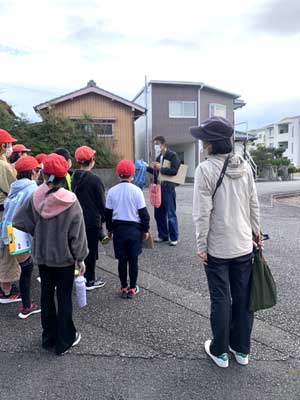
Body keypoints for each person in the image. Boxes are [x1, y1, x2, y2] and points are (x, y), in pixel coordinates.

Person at [190, 116, 261, 368]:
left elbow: (202, 213)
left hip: (218, 248)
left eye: (203, 140)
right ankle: (241, 350)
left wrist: (201, 245)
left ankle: (219, 351)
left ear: (210, 144)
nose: (201, 144)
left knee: (221, 298)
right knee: (242, 298)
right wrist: (256, 232)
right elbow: (254, 203)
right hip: (243, 244)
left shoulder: (205, 169)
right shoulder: (244, 166)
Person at [13, 153, 88, 355]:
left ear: (44, 175)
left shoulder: (35, 196)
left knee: (47, 296)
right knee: (63, 298)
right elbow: (78, 236)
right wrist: (80, 259)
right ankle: (65, 340)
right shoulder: (71, 202)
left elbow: (18, 220)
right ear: (65, 175)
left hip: (43, 259)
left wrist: (37, 232)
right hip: (65, 260)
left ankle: (48, 338)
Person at [1, 156, 41, 318]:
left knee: (26, 266)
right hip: (21, 233)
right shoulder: (32, 189)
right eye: (37, 170)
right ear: (33, 171)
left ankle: (25, 303)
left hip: (10, 232)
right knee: (27, 268)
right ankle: (26, 306)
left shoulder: (14, 188)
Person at [105, 160, 150, 298]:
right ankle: (132, 288)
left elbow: (108, 214)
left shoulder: (112, 191)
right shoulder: (137, 191)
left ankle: (123, 287)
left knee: (122, 260)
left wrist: (110, 230)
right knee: (133, 260)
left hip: (119, 229)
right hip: (134, 230)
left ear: (118, 174)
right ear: (133, 174)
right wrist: (145, 230)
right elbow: (144, 214)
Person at [72, 146, 106, 290]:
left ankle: (79, 275)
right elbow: (102, 203)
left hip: (76, 220)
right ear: (91, 160)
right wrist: (105, 221)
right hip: (92, 221)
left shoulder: (74, 176)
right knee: (91, 251)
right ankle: (89, 280)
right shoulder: (95, 179)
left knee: (79, 249)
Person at [147, 136, 180, 246]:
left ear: (163, 145)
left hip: (168, 187)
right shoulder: (158, 157)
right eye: (154, 144)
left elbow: (175, 171)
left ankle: (174, 237)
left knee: (170, 212)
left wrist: (160, 168)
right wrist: (147, 167)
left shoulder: (172, 155)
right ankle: (163, 235)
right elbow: (157, 173)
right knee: (159, 212)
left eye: (157, 144)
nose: (155, 147)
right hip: (158, 187)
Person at [0, 128, 20, 302]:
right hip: (3, 213)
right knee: (6, 250)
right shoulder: (4, 166)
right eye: (9, 144)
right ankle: (7, 291)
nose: (10, 147)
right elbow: (14, 189)